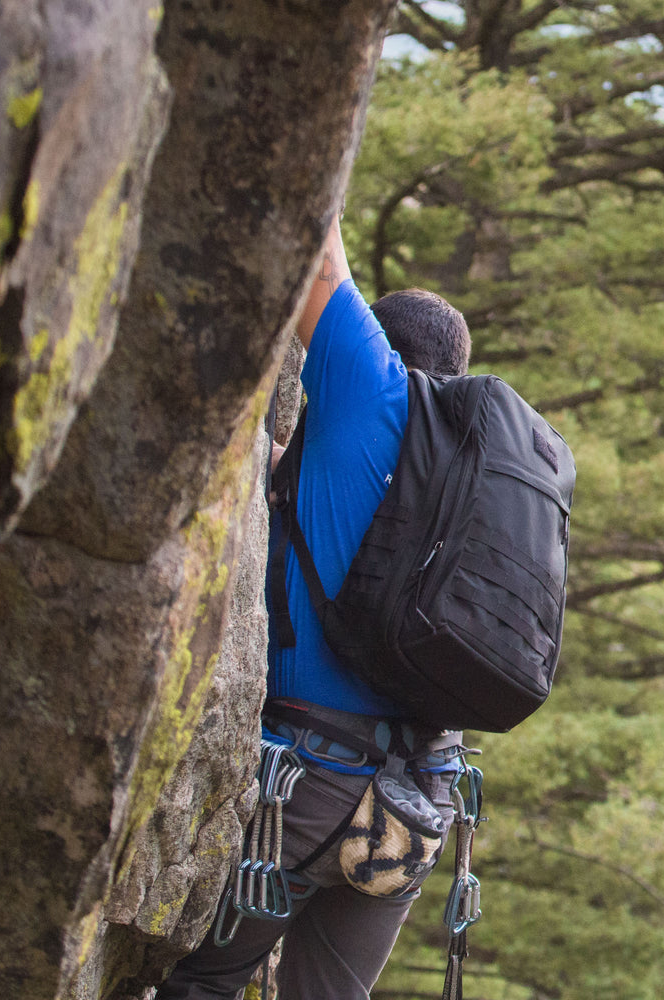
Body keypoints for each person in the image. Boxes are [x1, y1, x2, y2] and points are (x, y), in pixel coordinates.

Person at [155, 209, 472, 1000]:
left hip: (311, 784)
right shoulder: (466, 477)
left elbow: (316, 247)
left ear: (378, 346)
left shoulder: (372, 390)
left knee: (197, 983)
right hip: (420, 802)